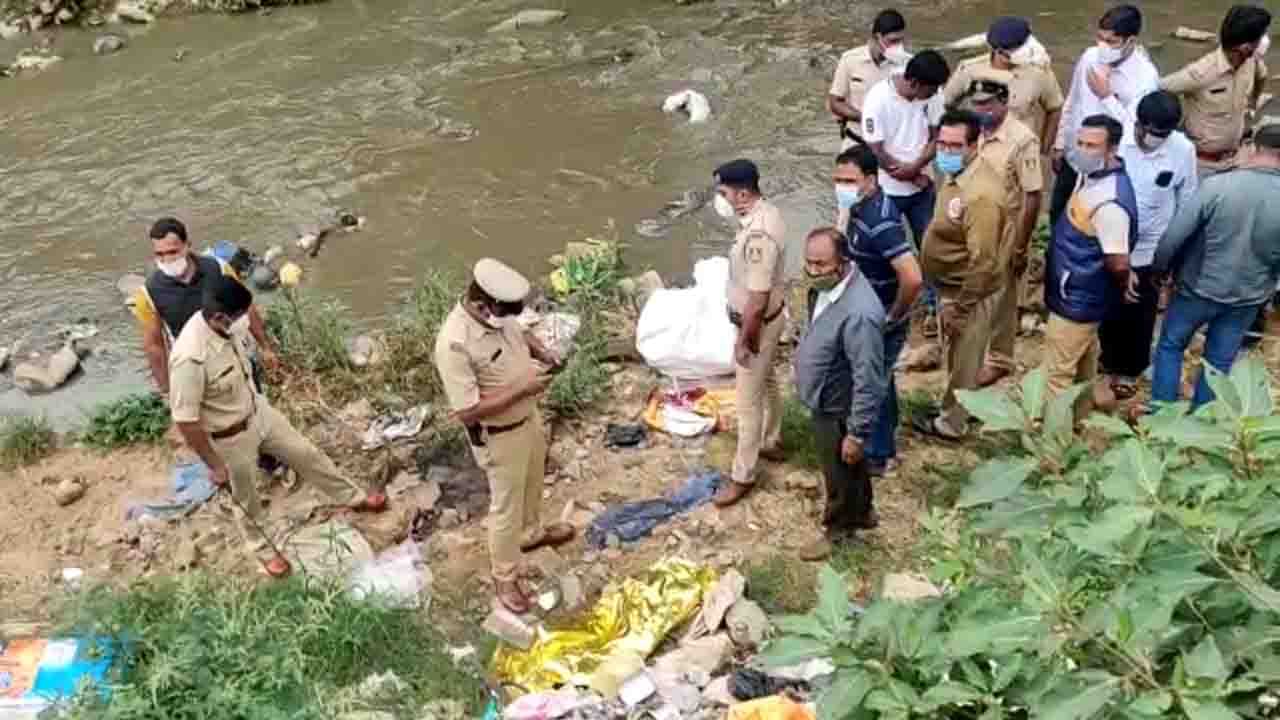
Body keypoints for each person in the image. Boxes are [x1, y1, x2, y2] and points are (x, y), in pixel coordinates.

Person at [169, 275, 386, 579]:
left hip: (258, 412)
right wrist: (214, 464)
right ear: (219, 318)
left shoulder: (224, 324)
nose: (244, 321)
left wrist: (266, 352)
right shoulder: (189, 358)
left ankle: (352, 497)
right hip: (228, 436)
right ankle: (264, 551)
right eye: (239, 317)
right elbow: (186, 421)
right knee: (247, 497)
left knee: (306, 453)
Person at [434, 259, 575, 613]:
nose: (508, 319)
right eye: (502, 313)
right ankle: (505, 577)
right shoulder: (454, 343)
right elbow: (466, 411)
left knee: (533, 483)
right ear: (482, 305)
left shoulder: (500, 316)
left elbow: (517, 331)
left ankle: (531, 534)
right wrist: (523, 388)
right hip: (499, 434)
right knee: (505, 507)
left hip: (528, 419)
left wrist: (539, 350)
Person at [1150, 124, 1280, 408]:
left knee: (1171, 346)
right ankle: (1202, 425)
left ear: (1253, 147)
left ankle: (1161, 417)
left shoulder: (1219, 185)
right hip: (1248, 297)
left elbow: (1175, 236)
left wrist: (1160, 271)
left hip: (1197, 288)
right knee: (1218, 362)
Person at [912, 111, 1011, 440]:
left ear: (975, 144)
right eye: (941, 143)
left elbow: (983, 261)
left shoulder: (981, 194)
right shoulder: (958, 176)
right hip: (951, 286)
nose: (946, 151)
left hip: (968, 292)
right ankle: (953, 407)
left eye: (955, 146)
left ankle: (952, 424)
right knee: (957, 355)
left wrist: (962, 306)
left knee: (966, 359)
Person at [792, 228, 887, 561]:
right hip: (826, 397)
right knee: (852, 467)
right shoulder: (827, 289)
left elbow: (869, 377)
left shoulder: (860, 313)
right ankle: (863, 512)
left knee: (838, 469)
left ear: (843, 262)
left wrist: (858, 432)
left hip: (839, 408)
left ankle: (838, 531)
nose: (813, 271)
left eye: (821, 264)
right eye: (809, 263)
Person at [1100, 91, 1198, 399]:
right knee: (1108, 305)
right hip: (1111, 240)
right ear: (1139, 124)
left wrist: (1176, 251)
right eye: (1150, 131)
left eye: (1162, 134)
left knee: (1140, 310)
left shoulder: (1182, 151)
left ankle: (1129, 369)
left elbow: (1187, 199)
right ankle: (1106, 360)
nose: (1154, 138)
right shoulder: (1118, 140)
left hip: (1151, 246)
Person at [952, 70, 1045, 388]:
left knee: (1000, 296)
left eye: (988, 104)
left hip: (1006, 230)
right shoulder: (971, 132)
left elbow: (1032, 196)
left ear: (1005, 102)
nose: (981, 110)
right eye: (976, 104)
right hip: (972, 222)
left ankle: (999, 359)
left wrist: (1020, 246)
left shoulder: (1022, 140)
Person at [833, 146, 922, 476]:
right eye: (837, 179)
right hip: (869, 308)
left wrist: (894, 315)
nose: (842, 186)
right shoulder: (862, 207)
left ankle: (879, 454)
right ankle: (887, 433)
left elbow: (912, 278)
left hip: (880, 313)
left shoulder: (879, 221)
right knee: (880, 375)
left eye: (849, 180)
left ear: (870, 180)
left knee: (870, 381)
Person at [1043, 114, 1137, 419]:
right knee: (1083, 368)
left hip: (1077, 299)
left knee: (1055, 377)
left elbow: (1118, 262)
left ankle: (1052, 450)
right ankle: (1079, 425)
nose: (1082, 150)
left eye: (1092, 145)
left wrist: (1122, 286)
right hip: (1077, 291)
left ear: (1112, 150)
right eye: (1080, 143)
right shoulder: (1095, 177)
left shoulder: (1110, 204)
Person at [712, 159, 789, 508]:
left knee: (746, 402)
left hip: (757, 323)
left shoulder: (758, 235)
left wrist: (745, 340)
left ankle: (743, 474)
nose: (721, 199)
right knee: (767, 381)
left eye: (724, 192)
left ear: (742, 193)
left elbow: (756, 300)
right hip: (769, 318)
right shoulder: (767, 213)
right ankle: (772, 438)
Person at [133, 217, 279, 396]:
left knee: (253, 398)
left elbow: (246, 307)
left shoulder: (217, 267)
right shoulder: (147, 294)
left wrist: (265, 347)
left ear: (187, 245)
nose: (167, 260)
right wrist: (167, 391)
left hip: (235, 351)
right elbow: (154, 346)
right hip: (198, 367)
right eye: (160, 254)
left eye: (172, 252)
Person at [1050, 5, 1158, 227]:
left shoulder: (1145, 78)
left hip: (1108, 169)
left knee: (1094, 224)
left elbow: (1137, 129)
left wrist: (1107, 96)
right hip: (1074, 157)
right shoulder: (1090, 57)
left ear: (1130, 41)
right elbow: (1073, 100)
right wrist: (1060, 143)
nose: (1103, 46)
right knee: (1059, 214)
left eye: (1111, 42)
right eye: (1100, 38)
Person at [1160, 5, 1271, 177]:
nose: (1264, 41)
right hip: (1203, 165)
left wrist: (1251, 107)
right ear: (1245, 47)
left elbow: (1262, 76)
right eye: (1260, 37)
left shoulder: (1252, 63)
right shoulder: (1200, 74)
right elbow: (1159, 90)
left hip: (1238, 159)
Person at [861, 49, 951, 246]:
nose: (935, 93)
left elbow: (938, 137)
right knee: (886, 245)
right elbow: (876, 150)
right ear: (914, 83)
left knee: (929, 243)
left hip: (922, 185)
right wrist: (912, 176)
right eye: (931, 89)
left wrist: (916, 166)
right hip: (887, 188)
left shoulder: (934, 96)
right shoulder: (877, 99)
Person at [943, 17, 1064, 150]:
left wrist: (1044, 149)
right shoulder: (969, 70)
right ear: (998, 51)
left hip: (1021, 150)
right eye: (1016, 48)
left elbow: (1055, 108)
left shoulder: (1039, 72)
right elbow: (946, 105)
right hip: (979, 151)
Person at [828, 9, 912, 150]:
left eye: (900, 41)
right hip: (855, 142)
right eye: (893, 41)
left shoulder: (908, 64)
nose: (898, 46)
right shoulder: (850, 60)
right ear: (878, 37)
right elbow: (835, 102)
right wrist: (865, 117)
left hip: (892, 146)